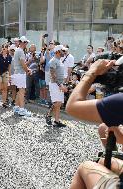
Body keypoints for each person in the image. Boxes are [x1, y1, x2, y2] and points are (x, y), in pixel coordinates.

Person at [66, 59, 123, 189]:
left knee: (85, 167)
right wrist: (117, 131)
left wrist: (92, 72)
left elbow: (72, 107)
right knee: (103, 160)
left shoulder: (119, 101)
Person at [45, 45, 68, 127]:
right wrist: (60, 85)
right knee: (57, 103)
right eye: (63, 51)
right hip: (55, 84)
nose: (64, 52)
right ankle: (49, 116)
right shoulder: (53, 60)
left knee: (58, 103)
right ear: (58, 52)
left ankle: (56, 121)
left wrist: (63, 84)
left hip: (59, 84)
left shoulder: (59, 60)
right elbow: (53, 74)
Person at [11, 36, 32, 117]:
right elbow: (23, 64)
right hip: (20, 73)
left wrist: (27, 69)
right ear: (23, 42)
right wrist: (28, 70)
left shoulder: (17, 50)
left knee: (19, 91)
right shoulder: (20, 51)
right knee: (22, 91)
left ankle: (16, 107)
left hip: (18, 73)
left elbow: (22, 64)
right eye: (26, 42)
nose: (27, 44)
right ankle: (22, 110)